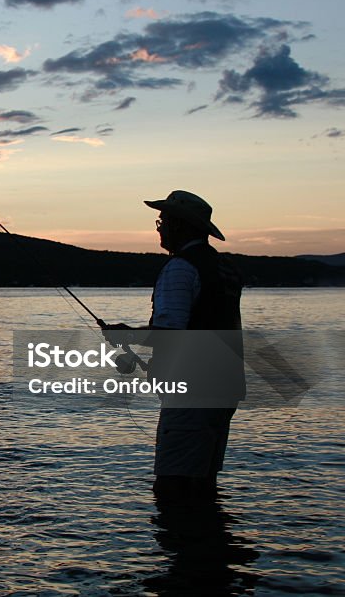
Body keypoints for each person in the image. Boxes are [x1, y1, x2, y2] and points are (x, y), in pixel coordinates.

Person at [104, 190, 245, 503]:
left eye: (163, 220)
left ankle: (182, 546)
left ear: (180, 226)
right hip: (226, 386)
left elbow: (171, 333)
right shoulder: (225, 268)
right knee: (203, 482)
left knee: (174, 486)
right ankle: (209, 544)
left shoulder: (181, 268)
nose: (159, 227)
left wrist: (126, 335)